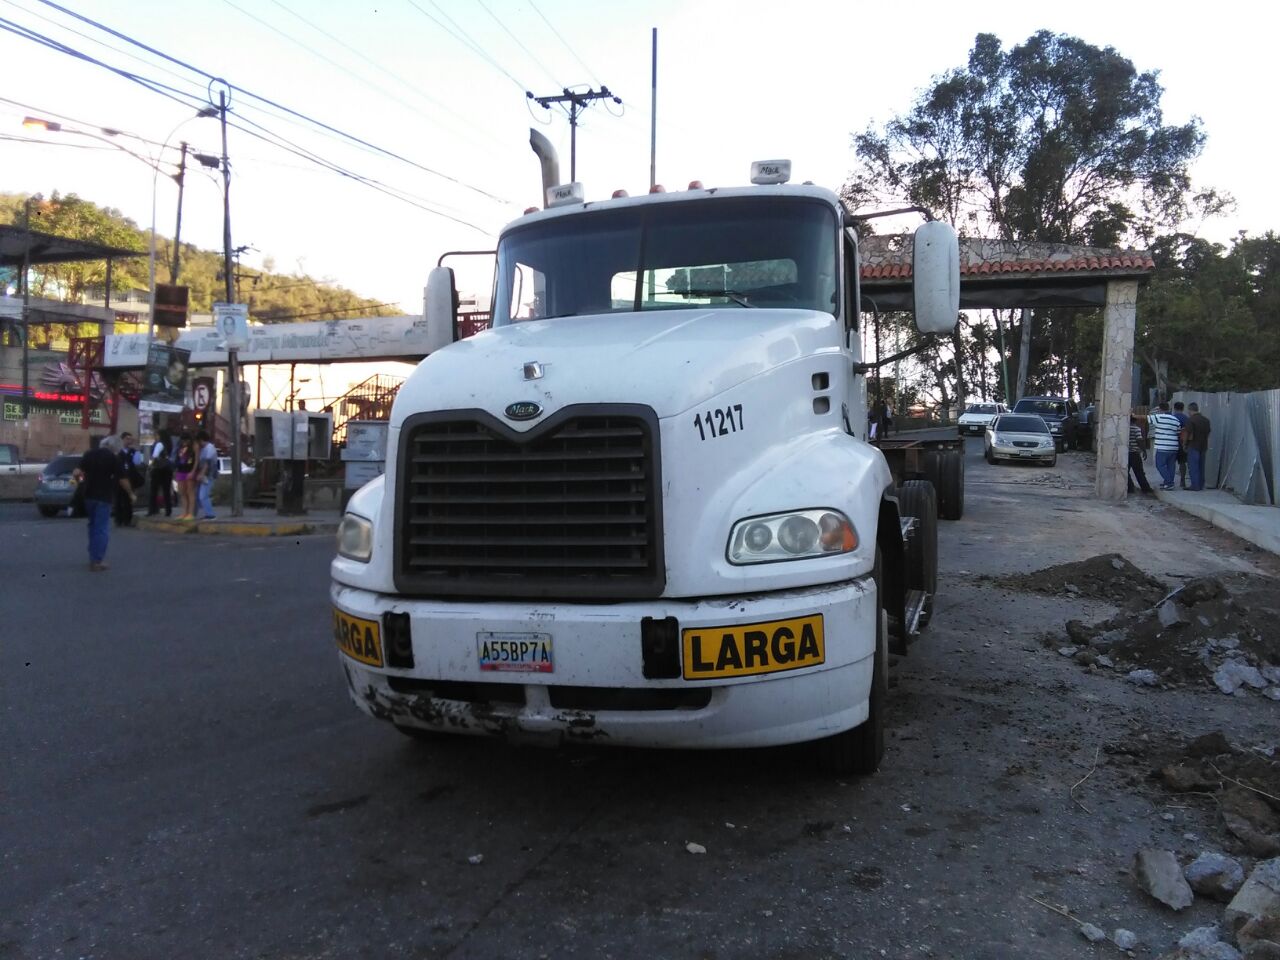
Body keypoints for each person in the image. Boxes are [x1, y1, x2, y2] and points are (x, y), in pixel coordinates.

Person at [73, 434, 127, 572]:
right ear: (115, 447)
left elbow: (77, 472)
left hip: (89, 495)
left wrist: (81, 481)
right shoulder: (113, 458)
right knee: (101, 528)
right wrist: (131, 493)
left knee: (92, 526)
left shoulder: (89, 454)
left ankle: (92, 556)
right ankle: (97, 560)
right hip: (104, 496)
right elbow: (122, 479)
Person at [1148, 401, 1183, 491]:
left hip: (1163, 447)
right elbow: (1179, 432)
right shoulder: (1175, 419)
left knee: (1160, 465)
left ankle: (1169, 482)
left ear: (1159, 409)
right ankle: (1168, 483)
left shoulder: (1159, 417)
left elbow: (1145, 418)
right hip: (1174, 447)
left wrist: (1132, 415)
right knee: (1171, 466)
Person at [115, 431, 144, 527]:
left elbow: (137, 462)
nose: (129, 441)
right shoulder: (118, 453)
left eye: (130, 439)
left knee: (128, 500)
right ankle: (119, 519)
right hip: (120, 479)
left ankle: (127, 519)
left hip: (130, 478)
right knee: (119, 499)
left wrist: (137, 448)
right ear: (122, 439)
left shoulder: (133, 452)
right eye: (127, 439)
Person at [1184, 402, 1212, 491]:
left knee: (1193, 466)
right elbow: (1208, 432)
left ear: (1190, 410)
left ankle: (1195, 485)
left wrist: (1185, 444)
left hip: (1193, 445)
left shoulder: (1191, 420)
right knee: (1201, 466)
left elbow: (1188, 433)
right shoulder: (1206, 420)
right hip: (1203, 445)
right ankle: (1201, 484)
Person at [147, 428, 174, 517]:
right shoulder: (169, 445)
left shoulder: (159, 444)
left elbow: (155, 456)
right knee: (166, 490)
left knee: (153, 490)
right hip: (167, 469)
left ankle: (152, 510)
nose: (156, 437)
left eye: (157, 435)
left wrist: (150, 465)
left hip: (158, 469)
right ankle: (168, 510)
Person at [193, 429, 218, 521]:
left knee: (203, 495)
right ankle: (207, 513)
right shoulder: (202, 449)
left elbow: (207, 463)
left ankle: (210, 514)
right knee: (200, 495)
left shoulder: (209, 448)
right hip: (204, 475)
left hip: (209, 475)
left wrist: (201, 474)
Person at [1126, 413, 1153, 495]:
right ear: (1135, 420)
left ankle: (1130, 487)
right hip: (1134, 453)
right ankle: (1146, 489)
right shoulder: (1136, 429)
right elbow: (1139, 440)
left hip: (1126, 453)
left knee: (1126, 471)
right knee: (1139, 472)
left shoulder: (1125, 429)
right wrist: (1144, 451)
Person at [173, 433, 196, 520]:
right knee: (182, 492)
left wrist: (193, 471)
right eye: (183, 440)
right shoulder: (180, 448)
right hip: (181, 470)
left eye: (186, 440)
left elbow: (196, 460)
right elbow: (177, 459)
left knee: (190, 492)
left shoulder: (193, 448)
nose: (184, 442)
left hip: (189, 470)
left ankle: (190, 513)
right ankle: (184, 512)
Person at [1172, 401, 1191, 489]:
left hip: (1172, 442)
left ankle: (1169, 481)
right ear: (1183, 409)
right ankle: (1182, 480)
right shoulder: (1187, 419)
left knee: (1171, 462)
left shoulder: (1172, 418)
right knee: (1182, 463)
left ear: (1174, 408)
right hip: (1183, 442)